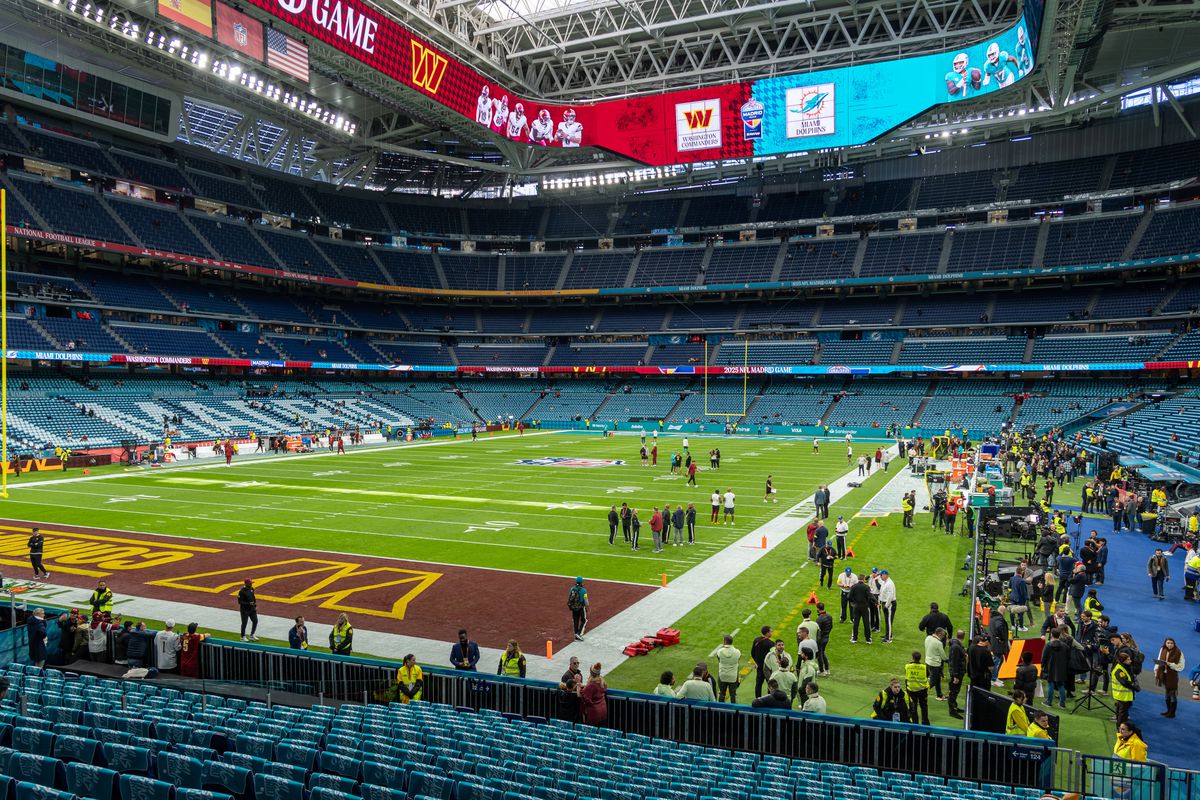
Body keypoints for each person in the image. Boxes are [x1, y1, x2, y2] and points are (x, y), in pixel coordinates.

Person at [1154, 636, 1185, 718]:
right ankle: (1168, 711)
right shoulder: (1162, 649)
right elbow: (1158, 660)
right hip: (1164, 675)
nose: (1169, 644)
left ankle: (1172, 713)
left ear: (1174, 644)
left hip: (1172, 677)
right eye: (1168, 643)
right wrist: (1156, 670)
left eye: (1171, 643)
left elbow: (1181, 666)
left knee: (1173, 695)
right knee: (1167, 694)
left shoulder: (1179, 652)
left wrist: (1170, 664)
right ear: (1165, 643)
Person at [709, 634, 741, 703]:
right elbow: (737, 661)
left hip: (722, 675)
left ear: (725, 641)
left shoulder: (720, 651)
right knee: (733, 694)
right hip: (733, 676)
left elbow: (719, 660)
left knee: (722, 694)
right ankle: (734, 710)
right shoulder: (737, 652)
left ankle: (721, 710)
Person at [1111, 649, 1138, 726]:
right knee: (1122, 714)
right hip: (1123, 695)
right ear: (1123, 660)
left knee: (1121, 711)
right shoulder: (1119, 670)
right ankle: (1120, 729)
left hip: (1123, 694)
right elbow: (1125, 682)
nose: (1130, 661)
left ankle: (1120, 726)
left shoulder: (1123, 667)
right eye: (1128, 659)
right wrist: (1135, 687)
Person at [904, 650, 931, 725]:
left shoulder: (908, 666)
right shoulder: (924, 667)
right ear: (920, 658)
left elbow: (907, 675)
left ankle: (915, 723)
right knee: (924, 707)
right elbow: (928, 675)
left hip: (911, 690)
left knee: (913, 707)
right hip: (922, 690)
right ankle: (925, 722)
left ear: (912, 658)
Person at [947, 628, 967, 718]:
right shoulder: (956, 647)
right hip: (957, 674)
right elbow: (954, 662)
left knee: (955, 691)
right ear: (964, 637)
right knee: (953, 691)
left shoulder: (957, 645)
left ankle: (954, 706)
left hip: (958, 673)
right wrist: (955, 675)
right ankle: (952, 711)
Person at [924, 628, 948, 700]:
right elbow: (943, 657)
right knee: (933, 682)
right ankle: (921, 693)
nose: (943, 637)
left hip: (927, 661)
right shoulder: (938, 643)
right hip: (935, 664)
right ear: (939, 634)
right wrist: (949, 660)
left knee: (937, 680)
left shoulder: (928, 638)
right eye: (943, 635)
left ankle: (939, 695)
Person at [751, 625, 774, 697]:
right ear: (767, 633)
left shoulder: (756, 640)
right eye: (771, 631)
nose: (772, 632)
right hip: (768, 668)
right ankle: (770, 698)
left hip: (759, 666)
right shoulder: (770, 643)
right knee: (770, 684)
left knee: (758, 684)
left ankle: (757, 699)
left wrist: (757, 662)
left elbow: (752, 653)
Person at [849, 574, 872, 644]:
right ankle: (868, 639)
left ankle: (854, 638)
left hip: (856, 606)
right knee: (866, 623)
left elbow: (849, 596)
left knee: (856, 623)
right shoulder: (866, 587)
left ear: (858, 579)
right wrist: (875, 602)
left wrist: (853, 602)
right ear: (864, 579)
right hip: (864, 607)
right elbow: (870, 596)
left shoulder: (854, 586)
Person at [878, 571, 897, 643]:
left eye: (881, 575)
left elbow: (891, 595)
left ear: (886, 575)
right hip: (886, 603)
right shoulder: (885, 582)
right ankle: (888, 634)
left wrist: (886, 605)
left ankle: (888, 638)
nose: (880, 576)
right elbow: (882, 593)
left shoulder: (889, 583)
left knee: (888, 621)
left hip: (889, 604)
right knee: (887, 620)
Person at [568, 577, 589, 641]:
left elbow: (569, 598)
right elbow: (586, 601)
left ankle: (576, 635)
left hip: (574, 608)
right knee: (584, 620)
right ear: (581, 582)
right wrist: (587, 607)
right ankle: (579, 634)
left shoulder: (572, 589)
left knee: (575, 621)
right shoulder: (584, 590)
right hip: (581, 608)